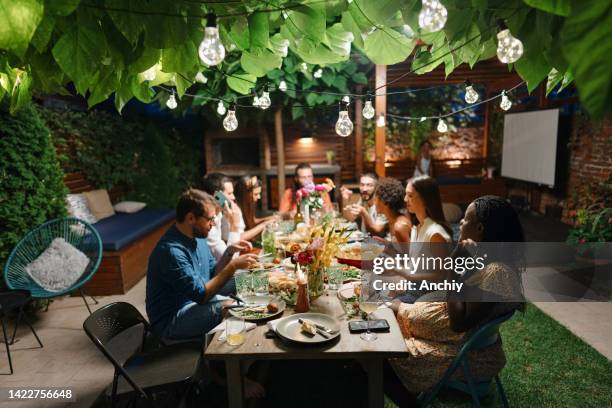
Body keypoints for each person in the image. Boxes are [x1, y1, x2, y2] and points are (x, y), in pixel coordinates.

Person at [383, 196, 526, 407]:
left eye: (465, 220)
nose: (460, 223)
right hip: (447, 338)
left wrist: (454, 268)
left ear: (479, 228)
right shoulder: (487, 261)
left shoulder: (497, 272)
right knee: (381, 310)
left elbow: (458, 323)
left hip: (460, 355)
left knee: (379, 356)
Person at [146, 189, 257, 340]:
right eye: (210, 219)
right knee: (232, 307)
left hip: (196, 300)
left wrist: (228, 253)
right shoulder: (171, 252)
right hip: (172, 319)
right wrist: (233, 266)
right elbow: (202, 296)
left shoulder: (197, 236)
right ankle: (233, 359)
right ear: (191, 218)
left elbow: (213, 275)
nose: (213, 224)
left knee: (253, 280)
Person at [200, 172, 243, 260]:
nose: (234, 197)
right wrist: (234, 225)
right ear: (217, 196)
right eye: (230, 193)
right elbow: (231, 260)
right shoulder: (208, 224)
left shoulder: (218, 214)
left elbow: (227, 241)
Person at [229, 175, 275, 241]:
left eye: (259, 193)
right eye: (255, 194)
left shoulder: (248, 204)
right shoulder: (235, 210)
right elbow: (238, 237)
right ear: (244, 193)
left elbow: (252, 221)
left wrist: (268, 219)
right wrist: (264, 224)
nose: (259, 197)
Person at [368, 177, 412, 243]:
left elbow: (407, 253)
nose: (374, 203)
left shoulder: (400, 226)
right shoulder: (392, 220)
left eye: (376, 199)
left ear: (384, 201)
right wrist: (385, 243)